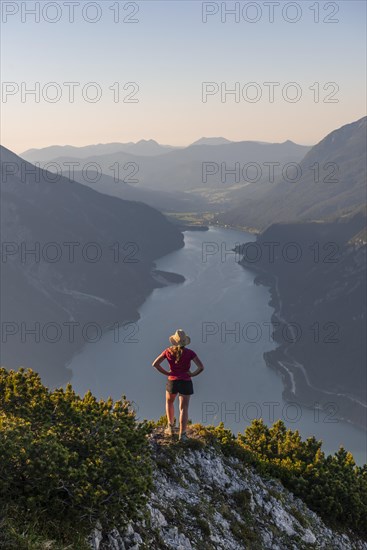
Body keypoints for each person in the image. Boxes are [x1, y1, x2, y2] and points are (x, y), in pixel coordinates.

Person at [152, 329, 204, 441]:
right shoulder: (190, 353)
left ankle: (170, 427)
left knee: (169, 402)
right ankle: (183, 434)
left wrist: (167, 373)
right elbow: (201, 367)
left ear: (174, 341)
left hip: (172, 381)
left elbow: (155, 364)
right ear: (185, 342)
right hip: (186, 381)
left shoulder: (168, 351)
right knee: (184, 408)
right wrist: (192, 374)